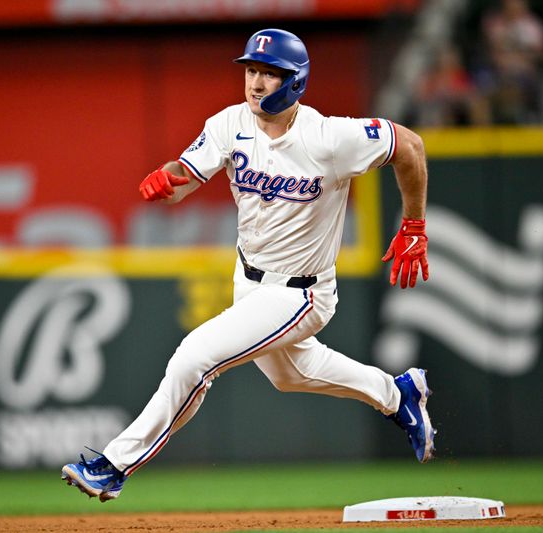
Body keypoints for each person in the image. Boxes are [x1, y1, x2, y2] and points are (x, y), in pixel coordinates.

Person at [61, 28, 434, 502]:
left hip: (302, 293)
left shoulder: (331, 138)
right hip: (249, 280)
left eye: (270, 74)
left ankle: (115, 465)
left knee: (194, 358)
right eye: (252, 71)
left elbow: (411, 148)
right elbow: (188, 173)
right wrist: (166, 178)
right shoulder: (228, 124)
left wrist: (414, 226)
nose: (256, 83)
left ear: (295, 82)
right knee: (291, 374)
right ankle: (398, 394)